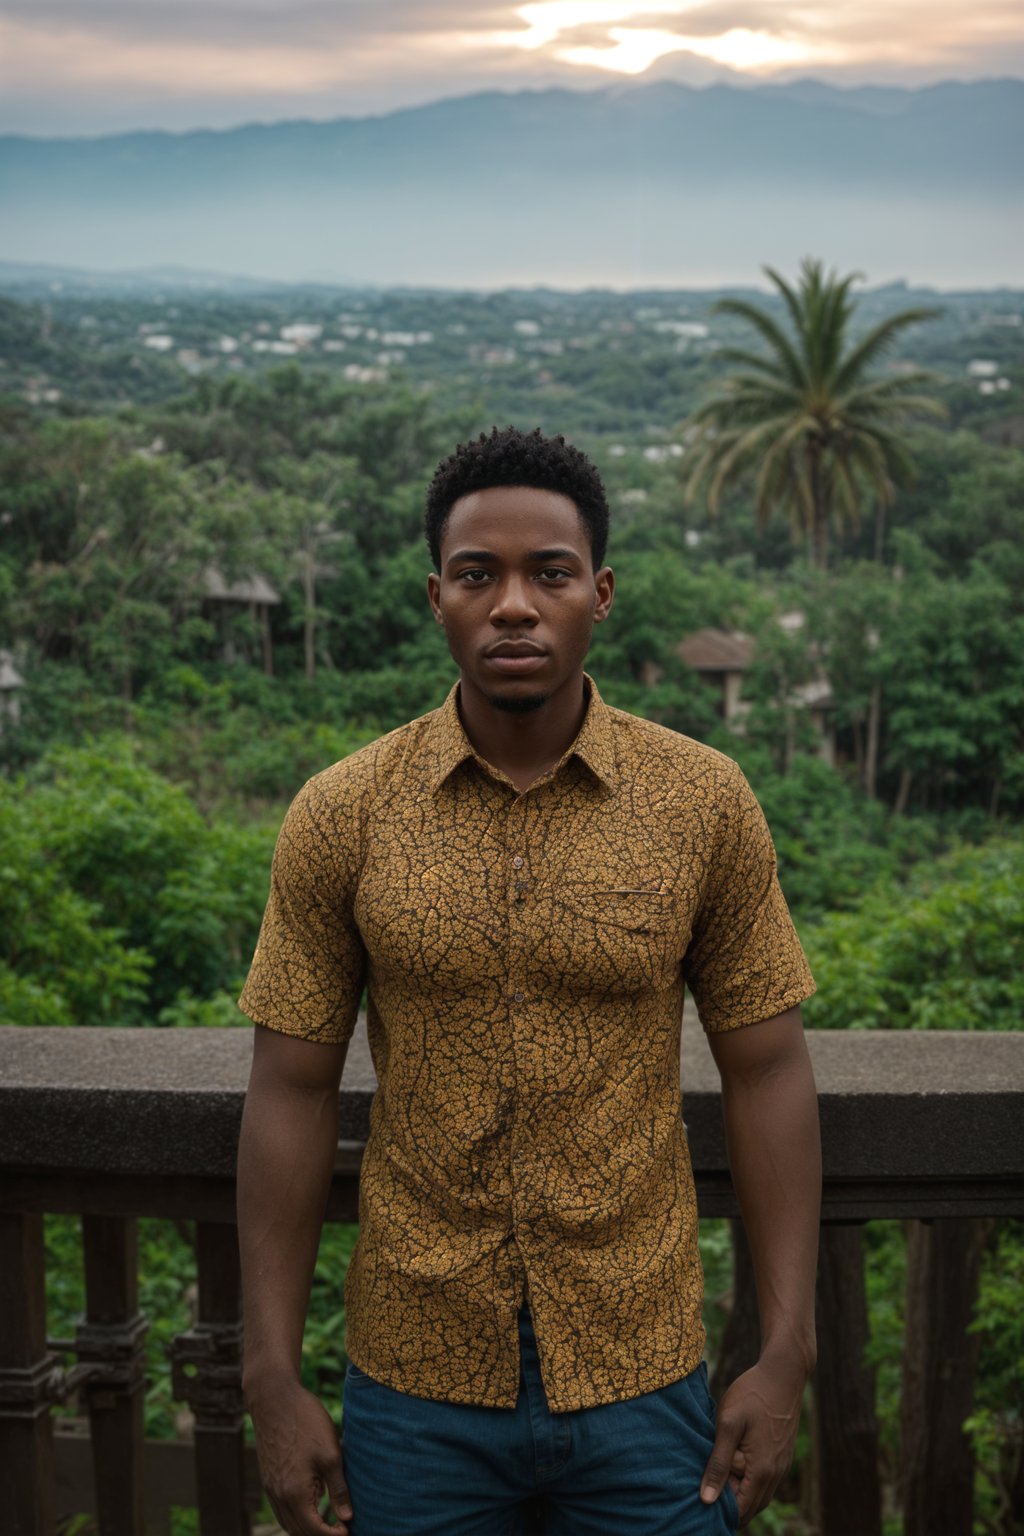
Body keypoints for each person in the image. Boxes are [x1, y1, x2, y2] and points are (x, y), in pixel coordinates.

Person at [236, 425, 821, 1536]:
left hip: (642, 1372)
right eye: (477, 575)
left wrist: (784, 1351)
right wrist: (270, 1373)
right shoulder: (342, 814)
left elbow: (770, 1068)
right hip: (415, 1380)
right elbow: (291, 1090)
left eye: (547, 573)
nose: (513, 604)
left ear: (597, 594)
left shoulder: (701, 802)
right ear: (436, 598)